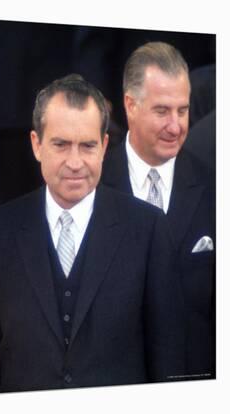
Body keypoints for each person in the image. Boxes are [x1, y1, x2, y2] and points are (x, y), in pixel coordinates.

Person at [0, 74, 186, 394]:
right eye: (61, 145)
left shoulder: (147, 229)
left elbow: (169, 358)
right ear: (37, 144)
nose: (75, 162)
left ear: (105, 146)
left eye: (87, 146)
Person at [101, 42, 216, 378]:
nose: (176, 126)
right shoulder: (93, 186)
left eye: (182, 111)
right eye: (162, 111)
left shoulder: (213, 186)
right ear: (130, 105)